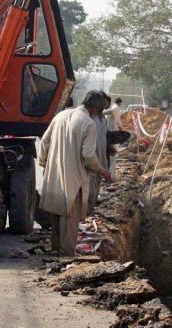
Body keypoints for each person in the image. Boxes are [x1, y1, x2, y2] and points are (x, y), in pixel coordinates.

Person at [39, 90, 112, 256]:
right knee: (69, 218)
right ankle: (66, 254)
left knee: (56, 214)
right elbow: (88, 157)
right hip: (75, 177)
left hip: (54, 173)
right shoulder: (89, 123)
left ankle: (56, 249)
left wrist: (44, 164)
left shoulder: (61, 115)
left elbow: (44, 142)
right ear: (95, 109)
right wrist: (102, 170)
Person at [88, 92, 109, 214]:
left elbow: (104, 136)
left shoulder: (103, 119)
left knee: (96, 188)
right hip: (91, 159)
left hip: (101, 158)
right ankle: (86, 213)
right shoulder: (91, 119)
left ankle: (91, 211)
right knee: (90, 190)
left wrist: (109, 146)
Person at [104, 96, 124, 180]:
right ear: (120, 103)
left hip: (109, 132)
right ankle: (111, 176)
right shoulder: (116, 108)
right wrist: (121, 128)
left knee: (109, 155)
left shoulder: (112, 108)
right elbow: (118, 120)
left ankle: (108, 174)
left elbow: (105, 112)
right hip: (114, 133)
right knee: (113, 155)